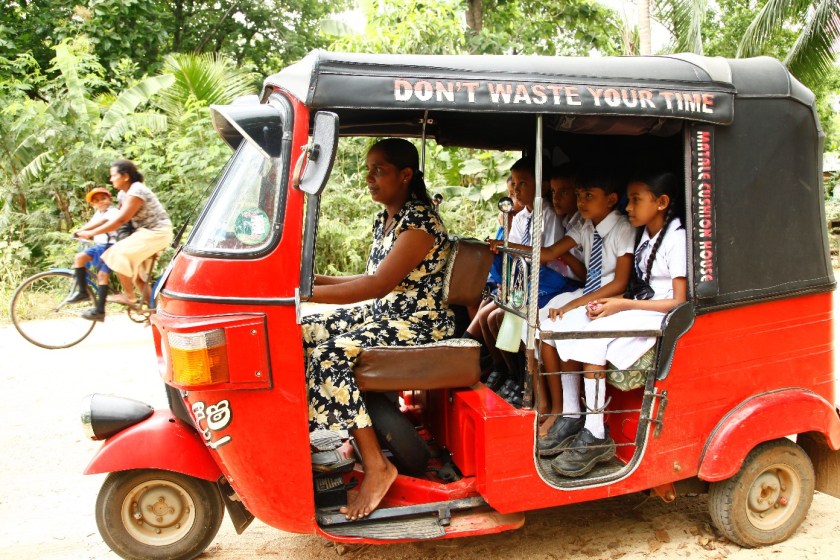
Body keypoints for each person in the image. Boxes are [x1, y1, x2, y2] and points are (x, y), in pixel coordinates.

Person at [301, 138, 455, 520]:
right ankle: (314, 438)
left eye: (379, 170)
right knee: (302, 332)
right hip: (387, 313)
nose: (369, 178)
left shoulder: (419, 222)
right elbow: (373, 278)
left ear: (405, 175)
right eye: (368, 170)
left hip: (420, 322)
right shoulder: (387, 218)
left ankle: (377, 465)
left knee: (329, 352)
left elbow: (376, 286)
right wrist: (311, 282)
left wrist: (305, 293)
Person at [549, 170, 686, 477]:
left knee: (591, 336)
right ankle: (574, 415)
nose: (628, 207)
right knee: (568, 327)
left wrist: (621, 304)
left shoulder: (676, 237)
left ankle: (596, 433)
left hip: (660, 314)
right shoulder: (648, 234)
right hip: (640, 307)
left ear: (661, 202)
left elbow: (678, 301)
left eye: (636, 200)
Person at [534, 167, 635, 458]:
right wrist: (507, 248)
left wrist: (574, 304)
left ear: (611, 199)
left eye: (589, 196)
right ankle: (570, 412)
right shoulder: (585, 225)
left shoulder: (622, 228)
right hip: (590, 293)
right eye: (579, 195)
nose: (581, 201)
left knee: (570, 321)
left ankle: (592, 427)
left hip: (612, 297)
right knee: (547, 322)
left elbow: (620, 282)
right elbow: (549, 253)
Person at [75, 159, 173, 321]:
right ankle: (153, 316)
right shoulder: (123, 194)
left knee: (116, 253)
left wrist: (91, 233)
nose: (111, 179)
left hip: (156, 232)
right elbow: (112, 219)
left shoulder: (136, 191)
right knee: (139, 278)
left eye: (113, 176)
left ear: (125, 176)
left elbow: (121, 220)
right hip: (144, 233)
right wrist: (88, 230)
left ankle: (129, 297)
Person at [65, 187, 120, 304]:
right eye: (96, 200)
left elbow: (101, 223)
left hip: (111, 246)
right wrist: (82, 234)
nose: (100, 202)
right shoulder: (98, 214)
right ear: (93, 204)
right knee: (79, 258)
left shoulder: (113, 212)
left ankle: (100, 308)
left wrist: (81, 230)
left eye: (103, 199)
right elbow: (92, 224)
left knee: (102, 276)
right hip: (100, 246)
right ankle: (83, 292)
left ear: (110, 199)